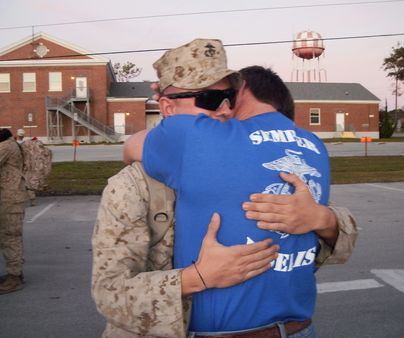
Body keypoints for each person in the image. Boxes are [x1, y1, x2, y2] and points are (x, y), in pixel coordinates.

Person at [122, 39, 357, 337]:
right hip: (298, 328)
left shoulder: (197, 138)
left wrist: (174, 103)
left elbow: (131, 148)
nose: (222, 106)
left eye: (226, 95)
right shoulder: (314, 146)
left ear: (241, 91)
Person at [0, 119, 27, 294]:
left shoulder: (3, 147)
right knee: (11, 235)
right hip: (12, 195)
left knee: (9, 236)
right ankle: (16, 274)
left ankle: (14, 278)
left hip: (11, 197)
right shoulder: (9, 143)